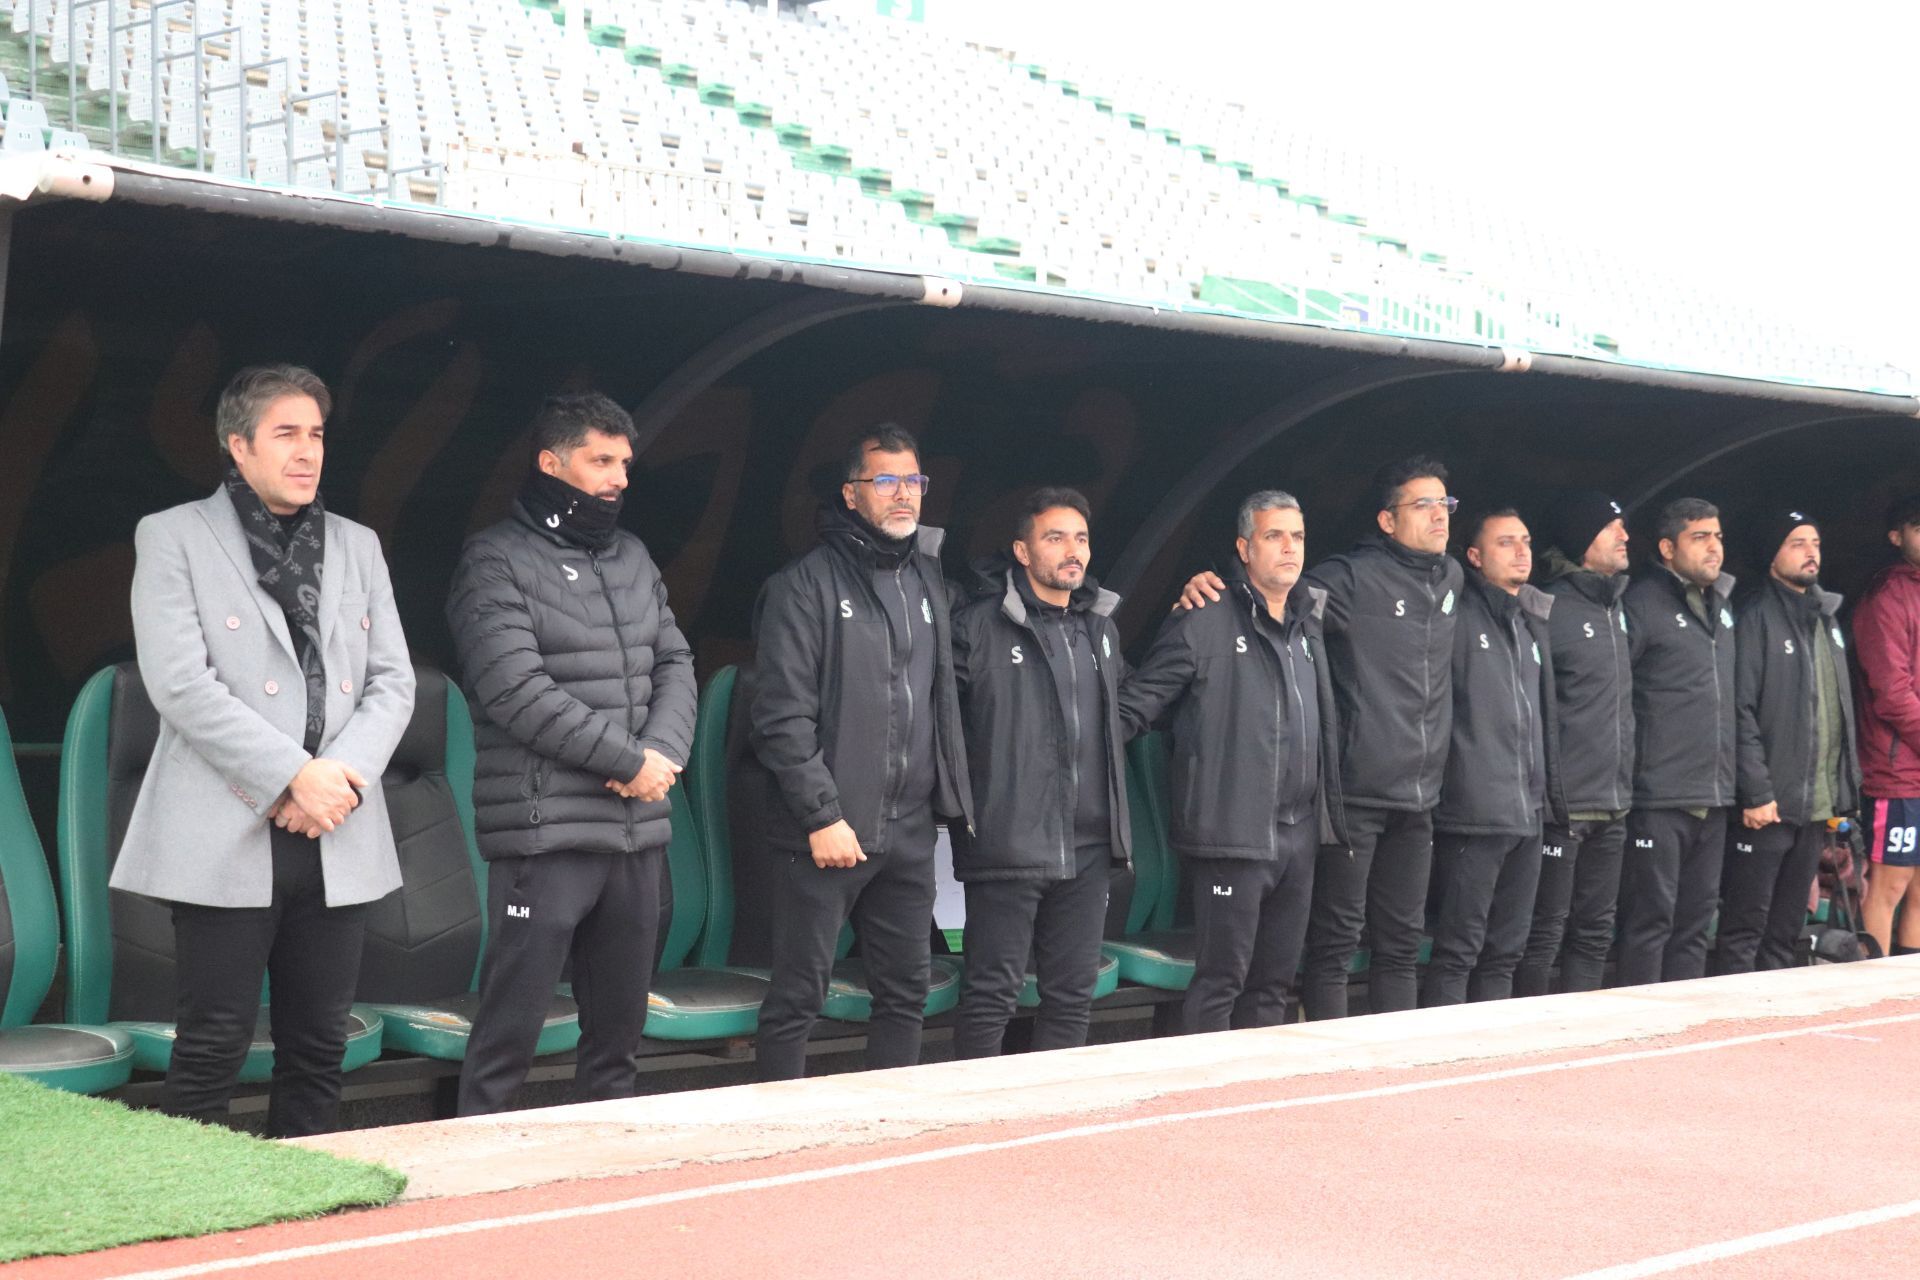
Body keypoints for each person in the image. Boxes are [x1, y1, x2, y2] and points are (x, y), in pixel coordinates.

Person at [112, 364, 415, 1137]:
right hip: (226, 824)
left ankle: (307, 1199)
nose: (307, 451)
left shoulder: (357, 545)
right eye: (286, 434)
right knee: (213, 1044)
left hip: (336, 825)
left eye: (316, 434)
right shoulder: (174, 535)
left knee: (319, 1048)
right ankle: (196, 1199)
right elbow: (180, 684)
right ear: (238, 445)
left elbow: (394, 682)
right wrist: (291, 776)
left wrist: (338, 781)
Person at [446, 392, 696, 1115]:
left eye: (625, 463)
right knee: (509, 1039)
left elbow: (676, 662)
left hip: (637, 833)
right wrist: (628, 762)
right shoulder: (494, 557)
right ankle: (472, 1165)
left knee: (618, 1043)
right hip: (546, 835)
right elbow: (514, 690)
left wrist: (661, 752)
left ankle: (603, 1168)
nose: (619, 478)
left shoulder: (633, 554)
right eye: (601, 460)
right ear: (551, 464)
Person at [1178, 458, 1460, 1018]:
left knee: (1402, 946)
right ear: (1387, 520)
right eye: (1423, 504)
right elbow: (1270, 594)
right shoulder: (1348, 578)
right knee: (1334, 945)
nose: (1439, 515)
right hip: (1354, 795)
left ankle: (1395, 1062)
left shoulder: (1452, 577)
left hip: (1421, 796)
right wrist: (1206, 582)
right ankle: (1330, 1059)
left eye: (1445, 503)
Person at [748, 424, 973, 1080]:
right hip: (828, 833)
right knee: (799, 997)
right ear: (851, 494)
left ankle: (886, 1122)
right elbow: (780, 717)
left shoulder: (928, 580)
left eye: (914, 481)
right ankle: (776, 1132)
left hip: (909, 832)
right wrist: (822, 815)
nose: (904, 494)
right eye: (887, 481)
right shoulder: (802, 586)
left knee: (906, 995)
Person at [1122, 491, 1346, 1031]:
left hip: (1298, 836)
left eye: (1297, 536)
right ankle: (1201, 1085)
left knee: (1273, 985)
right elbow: (1135, 708)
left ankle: (1256, 1087)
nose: (1289, 547)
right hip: (1230, 835)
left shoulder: (1308, 621)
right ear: (1244, 548)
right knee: (1221, 981)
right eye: (1274, 536)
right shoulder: (1203, 616)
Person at [949, 488, 1129, 1056]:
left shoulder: (1100, 629)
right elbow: (938, 723)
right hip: (1008, 842)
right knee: (991, 996)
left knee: (1072, 997)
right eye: (1055, 538)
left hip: (1088, 845)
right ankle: (975, 1108)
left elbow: (1124, 711)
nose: (1072, 551)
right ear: (1023, 552)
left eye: (1081, 539)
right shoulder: (976, 626)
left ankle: (1055, 1108)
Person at [1422, 509, 1564, 1005]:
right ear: (1475, 556)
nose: (1521, 551)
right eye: (1505, 542)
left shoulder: (1530, 620)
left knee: (1506, 952)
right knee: (1458, 951)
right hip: (1473, 814)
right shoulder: (1456, 615)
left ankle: (1492, 1045)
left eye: (1525, 540)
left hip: (1528, 812)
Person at [1720, 510, 1858, 973]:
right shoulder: (1754, 613)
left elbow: (1838, 710)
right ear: (1772, 554)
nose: (1811, 552)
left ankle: (1772, 1011)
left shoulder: (1827, 617)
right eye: (1797, 543)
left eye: (1815, 542)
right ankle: (1735, 1012)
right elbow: (1739, 709)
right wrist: (1756, 792)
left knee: (1785, 931)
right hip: (1768, 805)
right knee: (1744, 928)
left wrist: (1841, 789)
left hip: (1814, 804)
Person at [1515, 492, 1634, 996]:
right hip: (1562, 807)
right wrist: (1548, 793)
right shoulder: (1548, 608)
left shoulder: (1619, 606)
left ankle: (1583, 1026)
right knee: (1544, 934)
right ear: (1584, 540)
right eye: (1612, 527)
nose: (1625, 536)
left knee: (1594, 934)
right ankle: (1533, 1028)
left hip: (1614, 803)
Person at [1616, 497, 1736, 986]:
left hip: (1714, 794)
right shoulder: (1640, 602)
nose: (1714, 547)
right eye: (1700, 537)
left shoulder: (1722, 603)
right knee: (1650, 923)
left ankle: (1686, 1022)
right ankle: (1640, 1023)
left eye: (1718, 536)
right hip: (1658, 795)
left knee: (1694, 927)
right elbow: (1617, 696)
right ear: (1668, 548)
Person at [1851, 495, 1920, 957]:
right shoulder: (1886, 596)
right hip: (1896, 769)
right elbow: (1892, 693)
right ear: (1897, 537)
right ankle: (1870, 983)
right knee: (1890, 883)